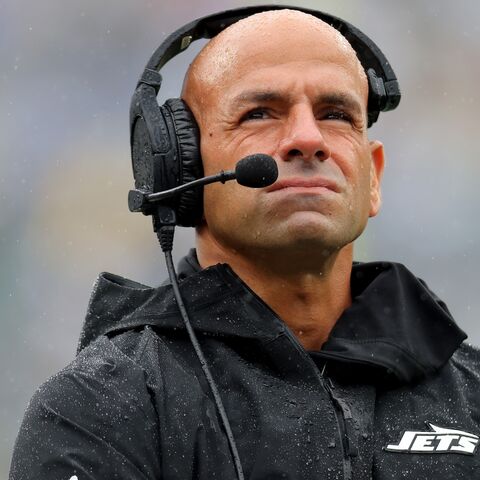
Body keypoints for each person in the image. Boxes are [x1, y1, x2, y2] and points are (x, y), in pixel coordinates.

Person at [9, 7, 480, 480]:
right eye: (259, 114)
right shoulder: (99, 407)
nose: (308, 139)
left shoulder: (471, 392)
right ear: (183, 172)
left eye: (336, 115)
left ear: (373, 177)